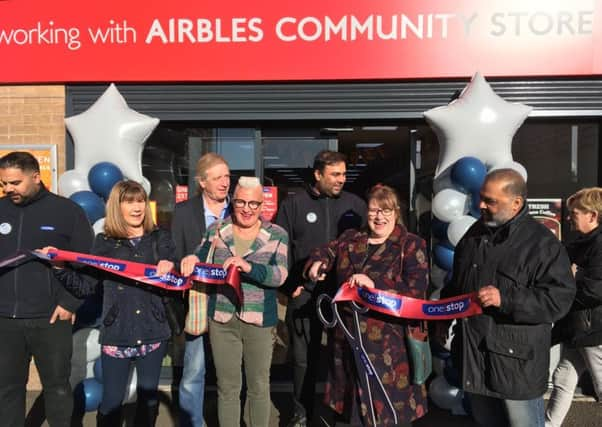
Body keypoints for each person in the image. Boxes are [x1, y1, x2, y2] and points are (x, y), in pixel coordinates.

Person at [437, 168, 576, 427]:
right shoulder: (473, 235)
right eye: (481, 197)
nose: (480, 205)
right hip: (475, 359)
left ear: (516, 204)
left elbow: (559, 299)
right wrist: (442, 317)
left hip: (516, 367)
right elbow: (457, 285)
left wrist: (507, 300)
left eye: (490, 201)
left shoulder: (542, 244)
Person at [46, 180, 176, 426]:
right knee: (111, 401)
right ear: (117, 206)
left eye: (140, 201)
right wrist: (59, 268)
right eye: (129, 202)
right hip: (117, 333)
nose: (137, 207)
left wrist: (171, 266)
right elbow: (86, 286)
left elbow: (175, 265)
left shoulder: (160, 238)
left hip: (154, 332)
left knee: (149, 402)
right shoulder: (103, 243)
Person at [305, 184, 429, 427]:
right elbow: (326, 251)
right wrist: (317, 263)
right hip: (347, 340)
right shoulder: (351, 238)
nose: (379, 217)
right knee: (351, 414)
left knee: (389, 414)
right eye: (373, 211)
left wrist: (375, 284)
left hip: (389, 345)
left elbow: (417, 291)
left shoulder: (411, 245)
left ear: (396, 212)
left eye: (385, 211)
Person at [180, 176, 289, 427]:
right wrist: (191, 259)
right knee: (227, 387)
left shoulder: (277, 235)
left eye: (253, 203)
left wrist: (248, 267)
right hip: (222, 317)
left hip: (259, 320)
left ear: (262, 206)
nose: (246, 208)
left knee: (258, 387)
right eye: (240, 201)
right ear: (233, 201)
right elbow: (200, 256)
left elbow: (279, 275)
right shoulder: (217, 229)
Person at [0, 151, 93, 427]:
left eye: (15, 183)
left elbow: (86, 265)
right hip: (5, 319)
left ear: (36, 177)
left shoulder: (67, 212)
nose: (8, 189)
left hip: (50, 318)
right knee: (7, 390)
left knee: (58, 389)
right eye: (4, 183)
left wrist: (69, 303)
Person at [275, 150, 366, 427]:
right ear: (318, 174)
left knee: (346, 357)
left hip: (344, 296)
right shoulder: (294, 205)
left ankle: (345, 413)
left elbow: (368, 249)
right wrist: (292, 285)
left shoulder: (356, 206)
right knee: (304, 360)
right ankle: (302, 413)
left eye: (343, 174)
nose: (341, 179)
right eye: (335, 174)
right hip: (306, 294)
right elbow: (281, 247)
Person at [171, 152, 231, 427]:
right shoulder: (184, 212)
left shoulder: (240, 209)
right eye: (217, 177)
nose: (224, 182)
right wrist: (184, 261)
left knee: (230, 371)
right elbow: (175, 253)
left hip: (231, 301)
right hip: (197, 300)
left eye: (228, 176)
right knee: (194, 368)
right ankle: (192, 422)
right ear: (202, 182)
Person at [545, 187, 602, 427]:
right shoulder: (581, 244)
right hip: (578, 327)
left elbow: (595, 290)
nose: (568, 218)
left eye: (574, 213)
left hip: (593, 330)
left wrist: (570, 281)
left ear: (592, 215)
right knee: (562, 379)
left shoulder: (598, 245)